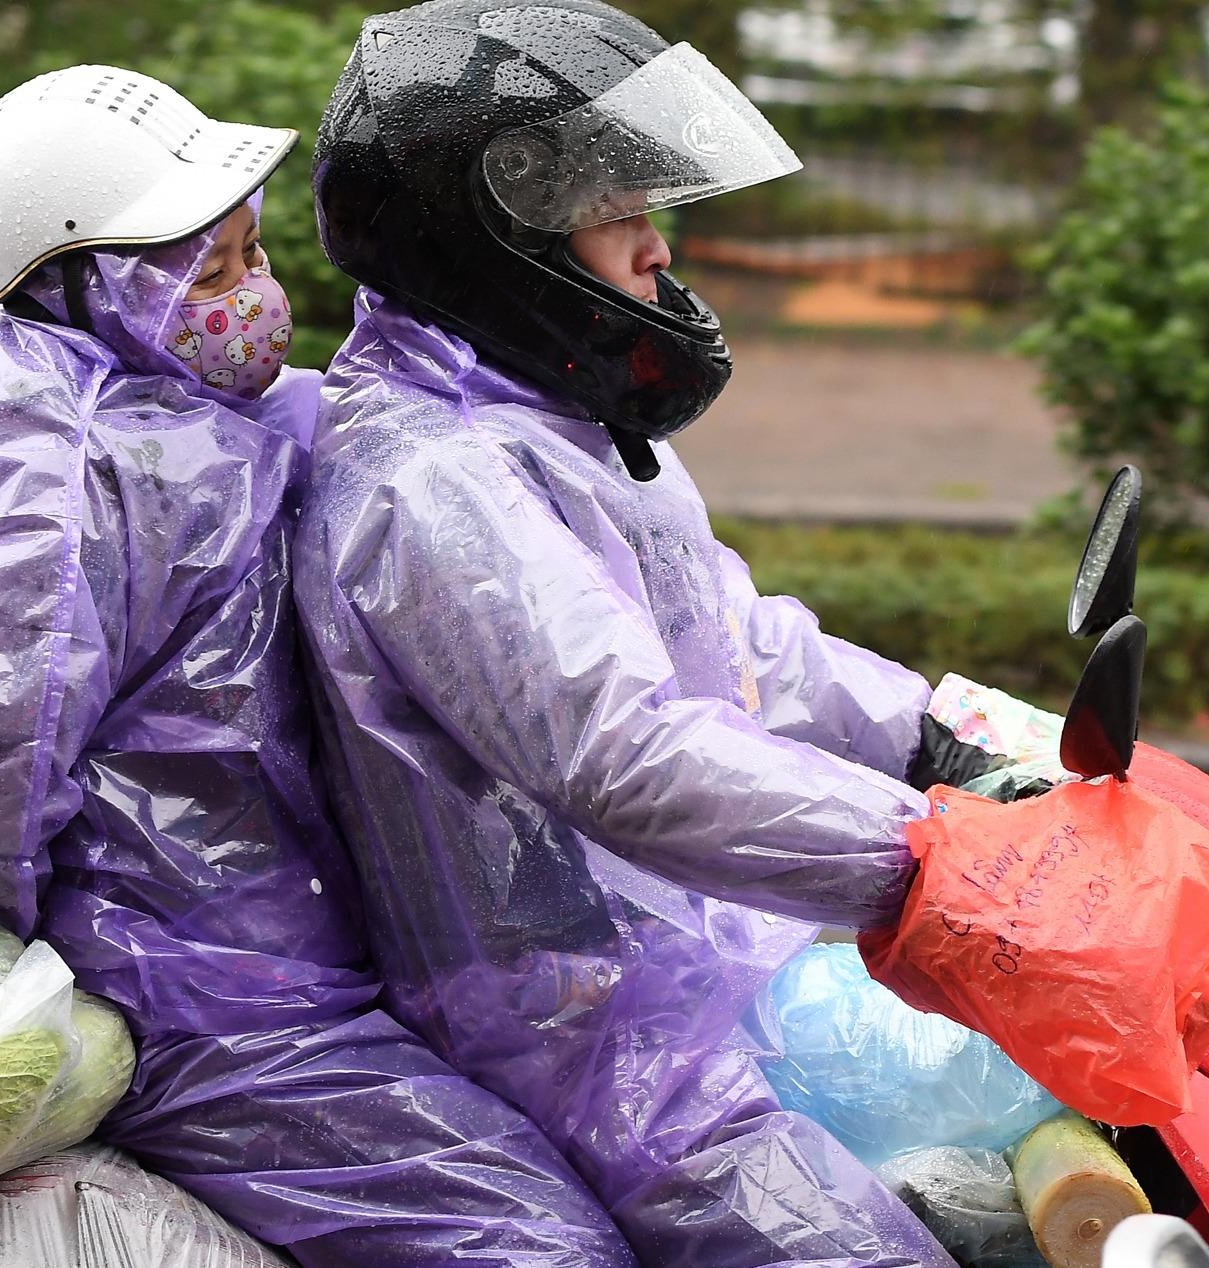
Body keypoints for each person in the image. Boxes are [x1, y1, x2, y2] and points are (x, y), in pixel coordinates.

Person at [0, 64, 638, 1268]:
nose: (256, 292)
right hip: (195, 996)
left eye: (252, 252)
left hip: (288, 951)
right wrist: (32, 998)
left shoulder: (168, 408)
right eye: (210, 272)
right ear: (75, 286)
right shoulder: (70, 472)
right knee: (538, 1243)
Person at [298, 4, 961, 1265]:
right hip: (592, 1049)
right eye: (621, 214)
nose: (659, 249)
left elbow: (734, 642)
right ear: (504, 242)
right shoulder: (432, 480)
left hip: (694, 983)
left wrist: (951, 739)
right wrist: (939, 857)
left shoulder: (541, 418)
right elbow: (626, 751)